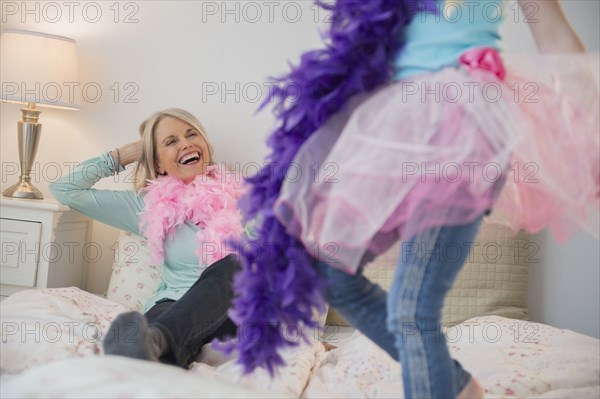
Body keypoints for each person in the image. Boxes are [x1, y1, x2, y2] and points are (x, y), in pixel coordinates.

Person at [229, 0, 599, 397]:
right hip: (393, 128)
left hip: (466, 125)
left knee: (413, 307)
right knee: (329, 272)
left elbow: (554, 35)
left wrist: (590, 136)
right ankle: (454, 384)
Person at [50, 108, 245, 368]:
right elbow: (65, 190)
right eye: (171, 141)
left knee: (234, 266)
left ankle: (153, 353)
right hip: (173, 306)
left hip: (232, 313)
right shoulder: (147, 206)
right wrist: (121, 156)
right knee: (154, 333)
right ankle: (154, 354)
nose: (185, 143)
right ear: (157, 163)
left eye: (191, 134)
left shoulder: (244, 198)